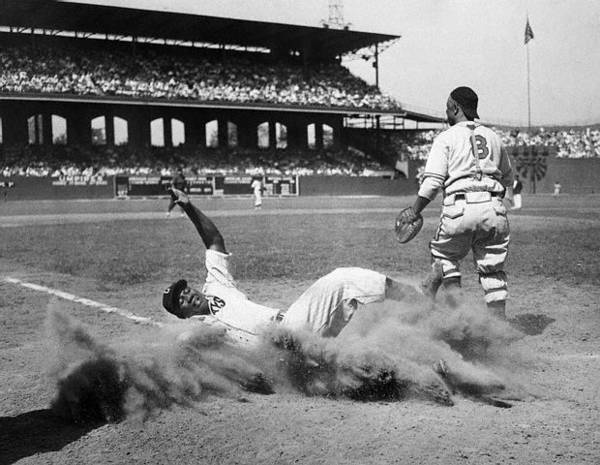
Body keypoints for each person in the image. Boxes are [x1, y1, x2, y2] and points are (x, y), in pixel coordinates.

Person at [162, 187, 419, 339]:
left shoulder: (216, 286)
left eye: (184, 290)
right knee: (356, 362)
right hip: (279, 358)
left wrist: (189, 207)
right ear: (182, 315)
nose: (186, 296)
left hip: (291, 329)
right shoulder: (197, 334)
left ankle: (417, 298)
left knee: (342, 279)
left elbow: (214, 241)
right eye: (180, 301)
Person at [403, 87, 515, 320]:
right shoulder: (494, 137)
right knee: (493, 271)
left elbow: (433, 182)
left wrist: (415, 211)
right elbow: (508, 177)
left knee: (444, 258)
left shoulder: (446, 137)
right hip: (494, 208)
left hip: (460, 206)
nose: (446, 110)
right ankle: (498, 331)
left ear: (455, 107)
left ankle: (460, 317)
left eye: (447, 106)